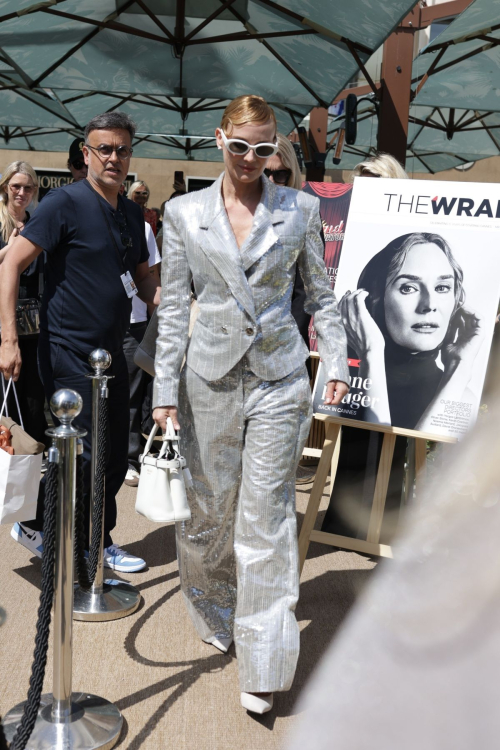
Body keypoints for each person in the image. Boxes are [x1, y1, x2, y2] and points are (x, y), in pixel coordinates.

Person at [152, 94, 349, 714]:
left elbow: (321, 295)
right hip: (206, 379)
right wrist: (162, 392)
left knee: (264, 521)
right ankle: (214, 605)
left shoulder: (300, 210)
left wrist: (337, 361)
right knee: (209, 517)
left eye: (264, 148)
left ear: (276, 148)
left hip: (277, 379)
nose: (250, 159)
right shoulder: (183, 213)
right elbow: (174, 309)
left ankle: (264, 662)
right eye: (240, 146)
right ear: (220, 140)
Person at [0, 111, 161, 572]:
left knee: (111, 456)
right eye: (104, 149)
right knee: (82, 454)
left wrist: (166, 301)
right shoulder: (61, 204)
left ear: (131, 154)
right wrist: (8, 339)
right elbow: (10, 265)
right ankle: (53, 535)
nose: (113, 157)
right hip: (67, 352)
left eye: (122, 149)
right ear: (86, 153)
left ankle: (96, 538)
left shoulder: (131, 213)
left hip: (112, 352)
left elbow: (143, 278)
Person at [340, 232, 481, 431]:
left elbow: (422, 462)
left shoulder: (460, 394)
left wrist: (459, 367)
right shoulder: (336, 379)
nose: (430, 305)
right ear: (374, 298)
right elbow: (369, 454)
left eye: (442, 287)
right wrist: (370, 354)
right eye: (408, 288)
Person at [0, 161, 47, 445]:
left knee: (32, 396)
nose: (21, 192)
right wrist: (10, 250)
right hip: (3, 322)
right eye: (16, 186)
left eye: (28, 187)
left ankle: (28, 455)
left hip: (33, 324)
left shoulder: (37, 223)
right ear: (5, 187)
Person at [123, 220, 161, 487]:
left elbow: (150, 275)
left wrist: (153, 325)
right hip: (91, 324)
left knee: (131, 397)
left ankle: (128, 459)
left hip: (134, 323)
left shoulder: (142, 226)